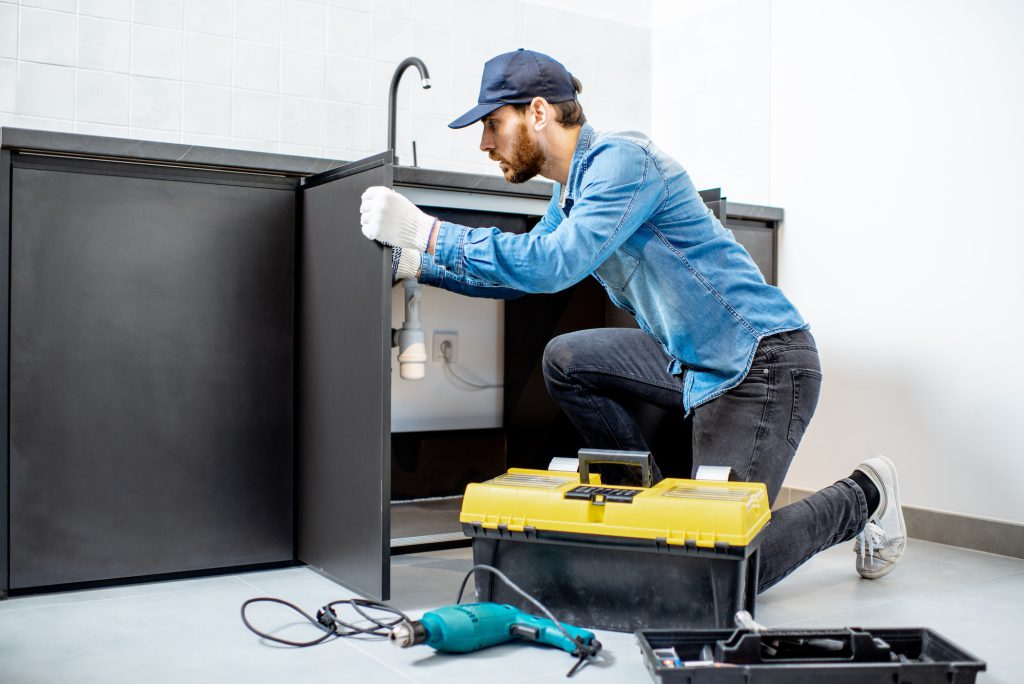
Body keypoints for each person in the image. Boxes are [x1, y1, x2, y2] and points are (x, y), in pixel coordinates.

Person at [360, 49, 906, 589]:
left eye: (493, 124)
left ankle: (865, 494)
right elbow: (525, 270)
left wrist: (429, 230)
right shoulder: (569, 194)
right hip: (691, 361)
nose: (484, 142)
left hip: (759, 364)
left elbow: (553, 265)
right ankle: (654, 510)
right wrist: (422, 265)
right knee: (566, 360)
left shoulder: (623, 163)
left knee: (716, 572)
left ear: (539, 112)